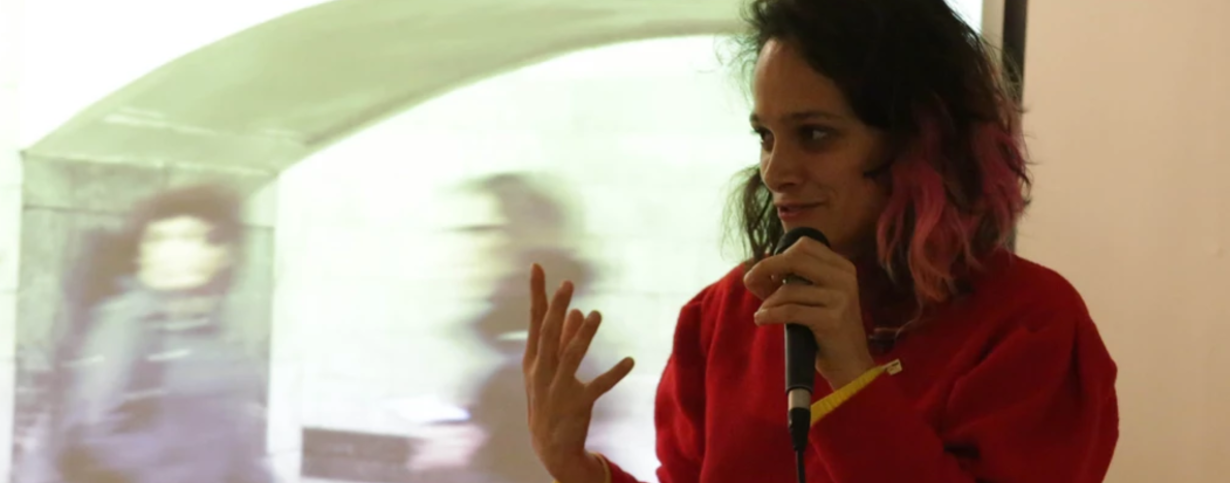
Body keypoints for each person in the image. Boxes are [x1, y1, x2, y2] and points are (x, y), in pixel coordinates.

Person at [521, 0, 1119, 482]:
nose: (775, 171)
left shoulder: (1030, 326)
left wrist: (853, 377)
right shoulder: (722, 317)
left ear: (921, 142)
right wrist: (578, 470)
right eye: (765, 137)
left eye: (814, 134)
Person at [16, 184, 274, 483]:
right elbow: (94, 434)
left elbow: (235, 448)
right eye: (158, 239)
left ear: (223, 253)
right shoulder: (126, 321)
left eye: (189, 238)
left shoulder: (214, 337)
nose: (172, 252)